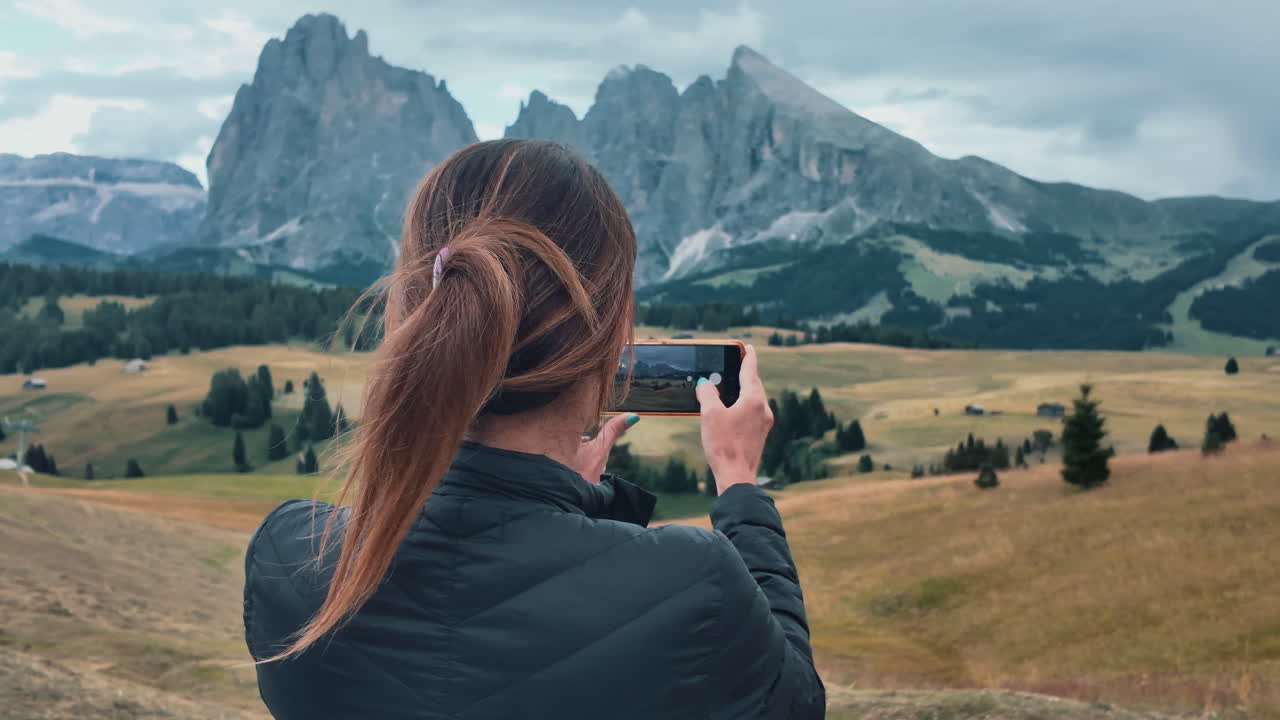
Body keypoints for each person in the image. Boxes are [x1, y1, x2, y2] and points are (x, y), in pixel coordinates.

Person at [243, 139, 825, 719]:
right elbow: (793, 702)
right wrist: (739, 481)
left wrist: (563, 501)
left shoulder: (288, 556)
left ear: (415, 308)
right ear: (608, 334)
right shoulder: (696, 580)